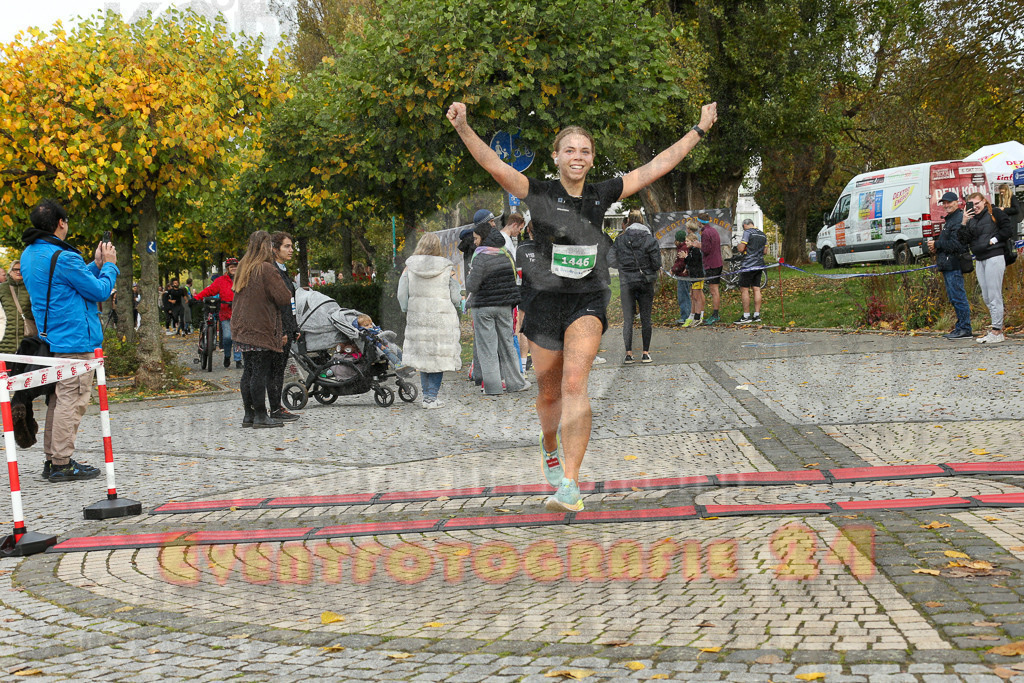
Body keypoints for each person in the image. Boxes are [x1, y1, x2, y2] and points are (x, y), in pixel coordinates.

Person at [448, 99, 718, 511]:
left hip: (588, 300)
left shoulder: (600, 193)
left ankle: (570, 484)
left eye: (585, 151)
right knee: (549, 394)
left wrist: (699, 129)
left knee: (576, 383)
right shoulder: (538, 193)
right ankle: (550, 444)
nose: (578, 156)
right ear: (556, 156)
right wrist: (464, 128)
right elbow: (495, 167)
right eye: (570, 150)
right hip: (543, 302)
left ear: (592, 160)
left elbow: (656, 166)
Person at [21, 199, 114, 482]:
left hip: (54, 337)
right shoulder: (64, 257)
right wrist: (108, 266)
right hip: (76, 339)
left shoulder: (30, 254)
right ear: (61, 223)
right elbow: (99, 291)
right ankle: (62, 462)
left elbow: (63, 281)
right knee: (71, 401)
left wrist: (93, 265)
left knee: (59, 400)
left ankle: (53, 459)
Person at [231, 231, 294, 428]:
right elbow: (284, 297)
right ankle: (260, 416)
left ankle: (248, 415)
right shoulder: (266, 268)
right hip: (260, 328)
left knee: (248, 371)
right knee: (259, 371)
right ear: (266, 247)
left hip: (241, 327)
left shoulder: (243, 267)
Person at [398, 232, 463, 408]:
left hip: (418, 316)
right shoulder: (448, 269)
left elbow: (401, 295)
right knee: (437, 357)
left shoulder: (409, 268)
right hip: (441, 317)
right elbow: (456, 298)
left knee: (424, 357)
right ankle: (431, 397)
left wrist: (407, 308)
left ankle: (428, 397)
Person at [466, 221, 530, 395]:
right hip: (504, 306)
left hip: (483, 308)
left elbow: (472, 285)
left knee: (488, 348)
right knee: (507, 345)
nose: (475, 242)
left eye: (476, 238)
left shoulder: (480, 256)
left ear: (484, 237)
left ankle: (493, 387)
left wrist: (469, 276)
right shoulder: (505, 253)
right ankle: (516, 383)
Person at [962, 191, 1014, 344]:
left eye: (977, 203)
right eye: (972, 204)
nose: (975, 207)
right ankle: (995, 327)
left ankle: (997, 331)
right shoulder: (971, 219)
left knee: (994, 294)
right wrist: (964, 221)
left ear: (984, 201)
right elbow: (963, 239)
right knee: (986, 295)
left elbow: (1008, 230)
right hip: (980, 258)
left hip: (994, 255)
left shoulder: (995, 212)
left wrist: (994, 240)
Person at [613, 209, 661, 363]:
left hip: (626, 282)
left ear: (627, 222)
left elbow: (609, 260)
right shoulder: (650, 240)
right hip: (645, 282)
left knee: (628, 320)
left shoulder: (620, 240)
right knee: (646, 318)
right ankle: (645, 353)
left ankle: (628, 354)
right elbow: (657, 264)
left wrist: (623, 266)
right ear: (642, 221)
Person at [929, 192, 972, 340]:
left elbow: (957, 244)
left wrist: (937, 244)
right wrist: (936, 247)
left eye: (949, 202)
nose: (946, 205)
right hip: (947, 264)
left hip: (954, 264)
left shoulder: (958, 219)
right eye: (944, 203)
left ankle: (965, 328)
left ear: (957, 202)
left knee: (958, 297)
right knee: (954, 298)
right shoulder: (950, 220)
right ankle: (960, 327)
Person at [268, 232, 300, 422]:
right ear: (275, 249)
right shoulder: (273, 272)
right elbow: (276, 305)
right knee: (275, 370)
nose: (291, 250)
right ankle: (274, 408)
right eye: (286, 246)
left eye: (291, 246)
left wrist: (294, 327)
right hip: (279, 330)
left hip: (288, 327)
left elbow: (291, 302)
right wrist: (281, 330)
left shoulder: (283, 270)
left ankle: (276, 406)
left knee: (279, 370)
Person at [196, 258, 242, 368]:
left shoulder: (242, 279)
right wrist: (197, 297)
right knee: (227, 337)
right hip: (225, 313)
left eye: (235, 266)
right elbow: (210, 290)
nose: (234, 268)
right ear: (227, 269)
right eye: (231, 267)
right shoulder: (221, 280)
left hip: (239, 313)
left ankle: (238, 360)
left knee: (237, 338)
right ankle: (227, 355)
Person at [734, 218, 767, 324]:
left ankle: (746, 316)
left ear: (745, 225)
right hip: (759, 264)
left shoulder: (747, 232)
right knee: (756, 289)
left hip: (748, 264)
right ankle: (757, 315)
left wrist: (739, 245)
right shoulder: (763, 234)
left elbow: (741, 249)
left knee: (744, 289)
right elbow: (765, 251)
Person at [0, 260, 35, 354]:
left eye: (21, 269)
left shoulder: (32, 288)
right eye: (15, 269)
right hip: (5, 337)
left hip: (27, 336)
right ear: (10, 271)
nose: (18, 272)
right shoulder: (2, 288)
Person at [698, 213, 723, 324]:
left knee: (713, 291)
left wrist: (698, 245)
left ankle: (715, 315)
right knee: (715, 290)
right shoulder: (714, 230)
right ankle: (715, 313)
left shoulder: (705, 233)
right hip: (718, 262)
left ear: (700, 222)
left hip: (711, 264)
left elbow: (706, 249)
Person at [684, 229, 705, 326]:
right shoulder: (691, 250)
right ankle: (695, 315)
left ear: (693, 242)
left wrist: (686, 257)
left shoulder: (696, 250)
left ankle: (698, 317)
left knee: (697, 296)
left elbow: (694, 263)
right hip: (693, 276)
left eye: (687, 241)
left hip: (697, 276)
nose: (685, 243)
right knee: (693, 295)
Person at [670, 230, 691, 325]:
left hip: (683, 276)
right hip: (683, 275)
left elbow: (681, 262)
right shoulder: (683, 247)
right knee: (685, 295)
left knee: (683, 296)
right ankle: (687, 315)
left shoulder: (683, 248)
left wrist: (674, 270)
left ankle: (685, 316)